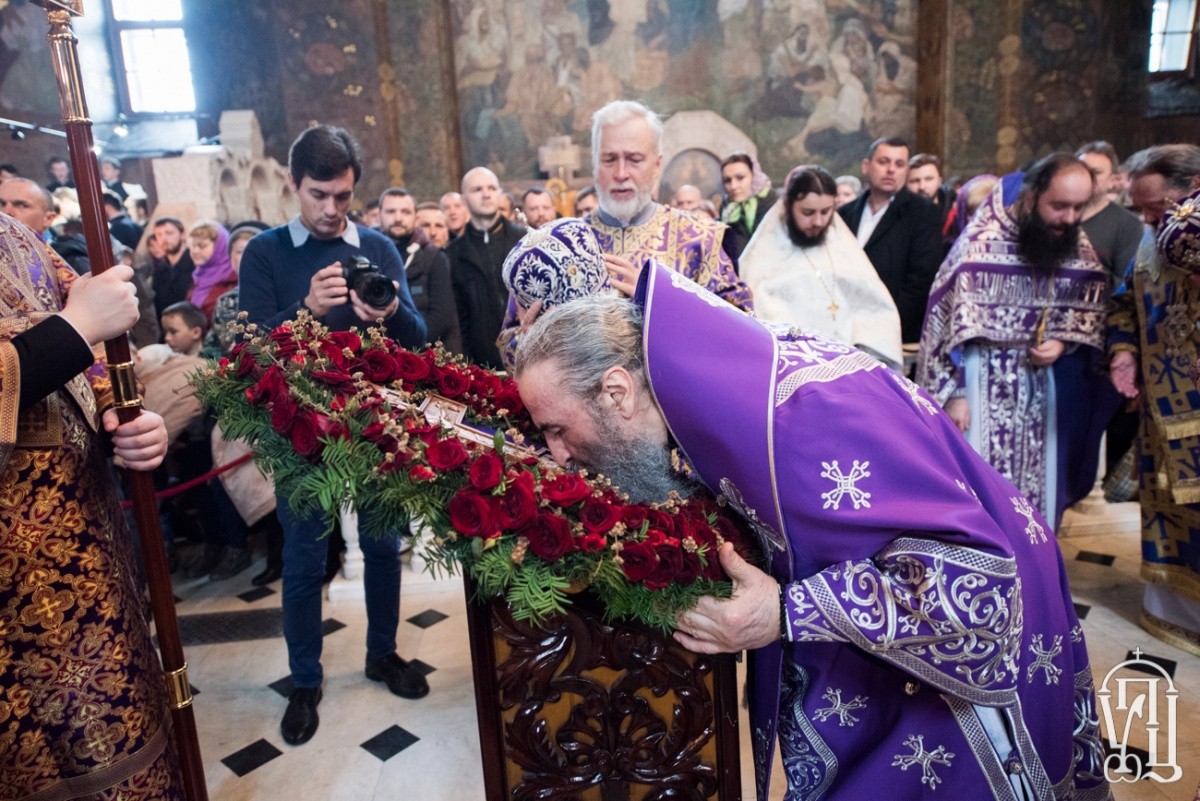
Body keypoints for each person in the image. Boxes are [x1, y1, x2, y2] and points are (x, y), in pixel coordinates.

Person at [512, 263, 1107, 801]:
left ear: (617, 391)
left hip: (970, 686)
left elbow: (980, 592)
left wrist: (785, 612)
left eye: (557, 429)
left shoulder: (805, 425)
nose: (558, 454)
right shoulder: (712, 387)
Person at [239, 125, 429, 746]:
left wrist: (390, 311)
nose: (330, 209)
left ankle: (382, 653)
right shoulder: (265, 253)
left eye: (343, 196)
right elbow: (249, 352)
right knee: (304, 557)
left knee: (382, 545)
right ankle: (304, 680)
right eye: (318, 194)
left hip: (372, 424)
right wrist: (307, 311)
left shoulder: (375, 246)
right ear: (293, 185)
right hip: (300, 430)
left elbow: (417, 340)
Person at [0, 213, 184, 799]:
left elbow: (98, 345)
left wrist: (125, 419)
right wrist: (75, 327)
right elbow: (79, 325)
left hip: (93, 557)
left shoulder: (15, 233)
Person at [919, 154, 1116, 528]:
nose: (1069, 218)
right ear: (1030, 195)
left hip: (1045, 390)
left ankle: (1037, 559)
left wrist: (1063, 343)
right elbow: (944, 323)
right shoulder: (981, 242)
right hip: (981, 381)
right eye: (1059, 206)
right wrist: (955, 393)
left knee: (1040, 493)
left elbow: (1089, 309)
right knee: (981, 489)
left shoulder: (1076, 243)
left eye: (1079, 208)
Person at [495, 100, 751, 370]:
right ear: (595, 164)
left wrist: (658, 299)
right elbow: (509, 344)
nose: (620, 173)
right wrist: (534, 339)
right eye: (609, 159)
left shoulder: (702, 240)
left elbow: (741, 336)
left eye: (634, 159)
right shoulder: (553, 246)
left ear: (657, 165)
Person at [1108, 143, 1200, 656]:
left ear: (1194, 188)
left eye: (1156, 208)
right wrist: (1124, 353)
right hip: (1162, 409)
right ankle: (1174, 610)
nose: (1146, 219)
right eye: (1140, 209)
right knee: (1167, 504)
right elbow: (1125, 303)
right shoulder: (1151, 240)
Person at [740, 165, 902, 367]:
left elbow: (875, 307)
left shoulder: (843, 246)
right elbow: (758, 313)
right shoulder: (763, 253)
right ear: (788, 206)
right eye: (807, 212)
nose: (817, 221)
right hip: (793, 363)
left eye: (826, 212)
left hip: (850, 362)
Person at [839, 136, 944, 344]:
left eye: (899, 164)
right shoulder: (845, 214)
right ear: (866, 166)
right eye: (884, 162)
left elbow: (920, 281)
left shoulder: (923, 213)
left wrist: (883, 328)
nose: (891, 170)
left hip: (894, 333)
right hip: (844, 328)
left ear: (906, 171)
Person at [446, 166, 526, 368]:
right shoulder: (453, 255)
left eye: (491, 188)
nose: (486, 194)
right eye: (477, 189)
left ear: (500, 193)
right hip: (482, 366)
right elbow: (458, 322)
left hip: (529, 358)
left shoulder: (525, 241)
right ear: (464, 200)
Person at [379, 187, 461, 352]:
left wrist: (406, 348)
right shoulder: (369, 254)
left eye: (405, 212)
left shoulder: (435, 257)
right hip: (379, 353)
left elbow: (441, 316)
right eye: (391, 211)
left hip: (426, 354)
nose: (398, 218)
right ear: (379, 215)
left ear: (415, 217)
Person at [1076, 141, 1145, 283]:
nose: (1086, 176)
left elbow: (1125, 284)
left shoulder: (1128, 225)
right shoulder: (1053, 216)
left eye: (1095, 172)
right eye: (1080, 169)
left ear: (1112, 180)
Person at [719, 151, 777, 258]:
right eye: (727, 180)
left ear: (754, 176)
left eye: (740, 178)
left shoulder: (770, 201)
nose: (733, 186)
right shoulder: (726, 206)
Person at [187, 220, 237, 324]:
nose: (195, 251)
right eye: (192, 246)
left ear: (220, 247)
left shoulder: (233, 279)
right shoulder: (197, 276)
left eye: (202, 246)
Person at [149, 216, 195, 323]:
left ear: (182, 234)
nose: (164, 239)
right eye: (159, 235)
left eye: (169, 233)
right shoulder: (159, 270)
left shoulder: (195, 264)